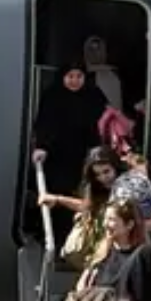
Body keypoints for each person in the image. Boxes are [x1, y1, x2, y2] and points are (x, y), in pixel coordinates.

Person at [31, 62, 109, 249]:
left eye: (79, 76)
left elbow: (102, 123)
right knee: (58, 193)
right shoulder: (53, 97)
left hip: (85, 157)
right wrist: (42, 147)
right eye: (70, 76)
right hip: (57, 159)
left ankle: (76, 243)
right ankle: (55, 242)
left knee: (82, 196)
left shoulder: (93, 96)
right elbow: (44, 124)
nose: (74, 81)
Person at [39, 146, 124, 270]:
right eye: (97, 174)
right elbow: (86, 206)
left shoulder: (127, 187)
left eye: (106, 172)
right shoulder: (96, 189)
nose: (103, 178)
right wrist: (58, 200)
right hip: (99, 249)